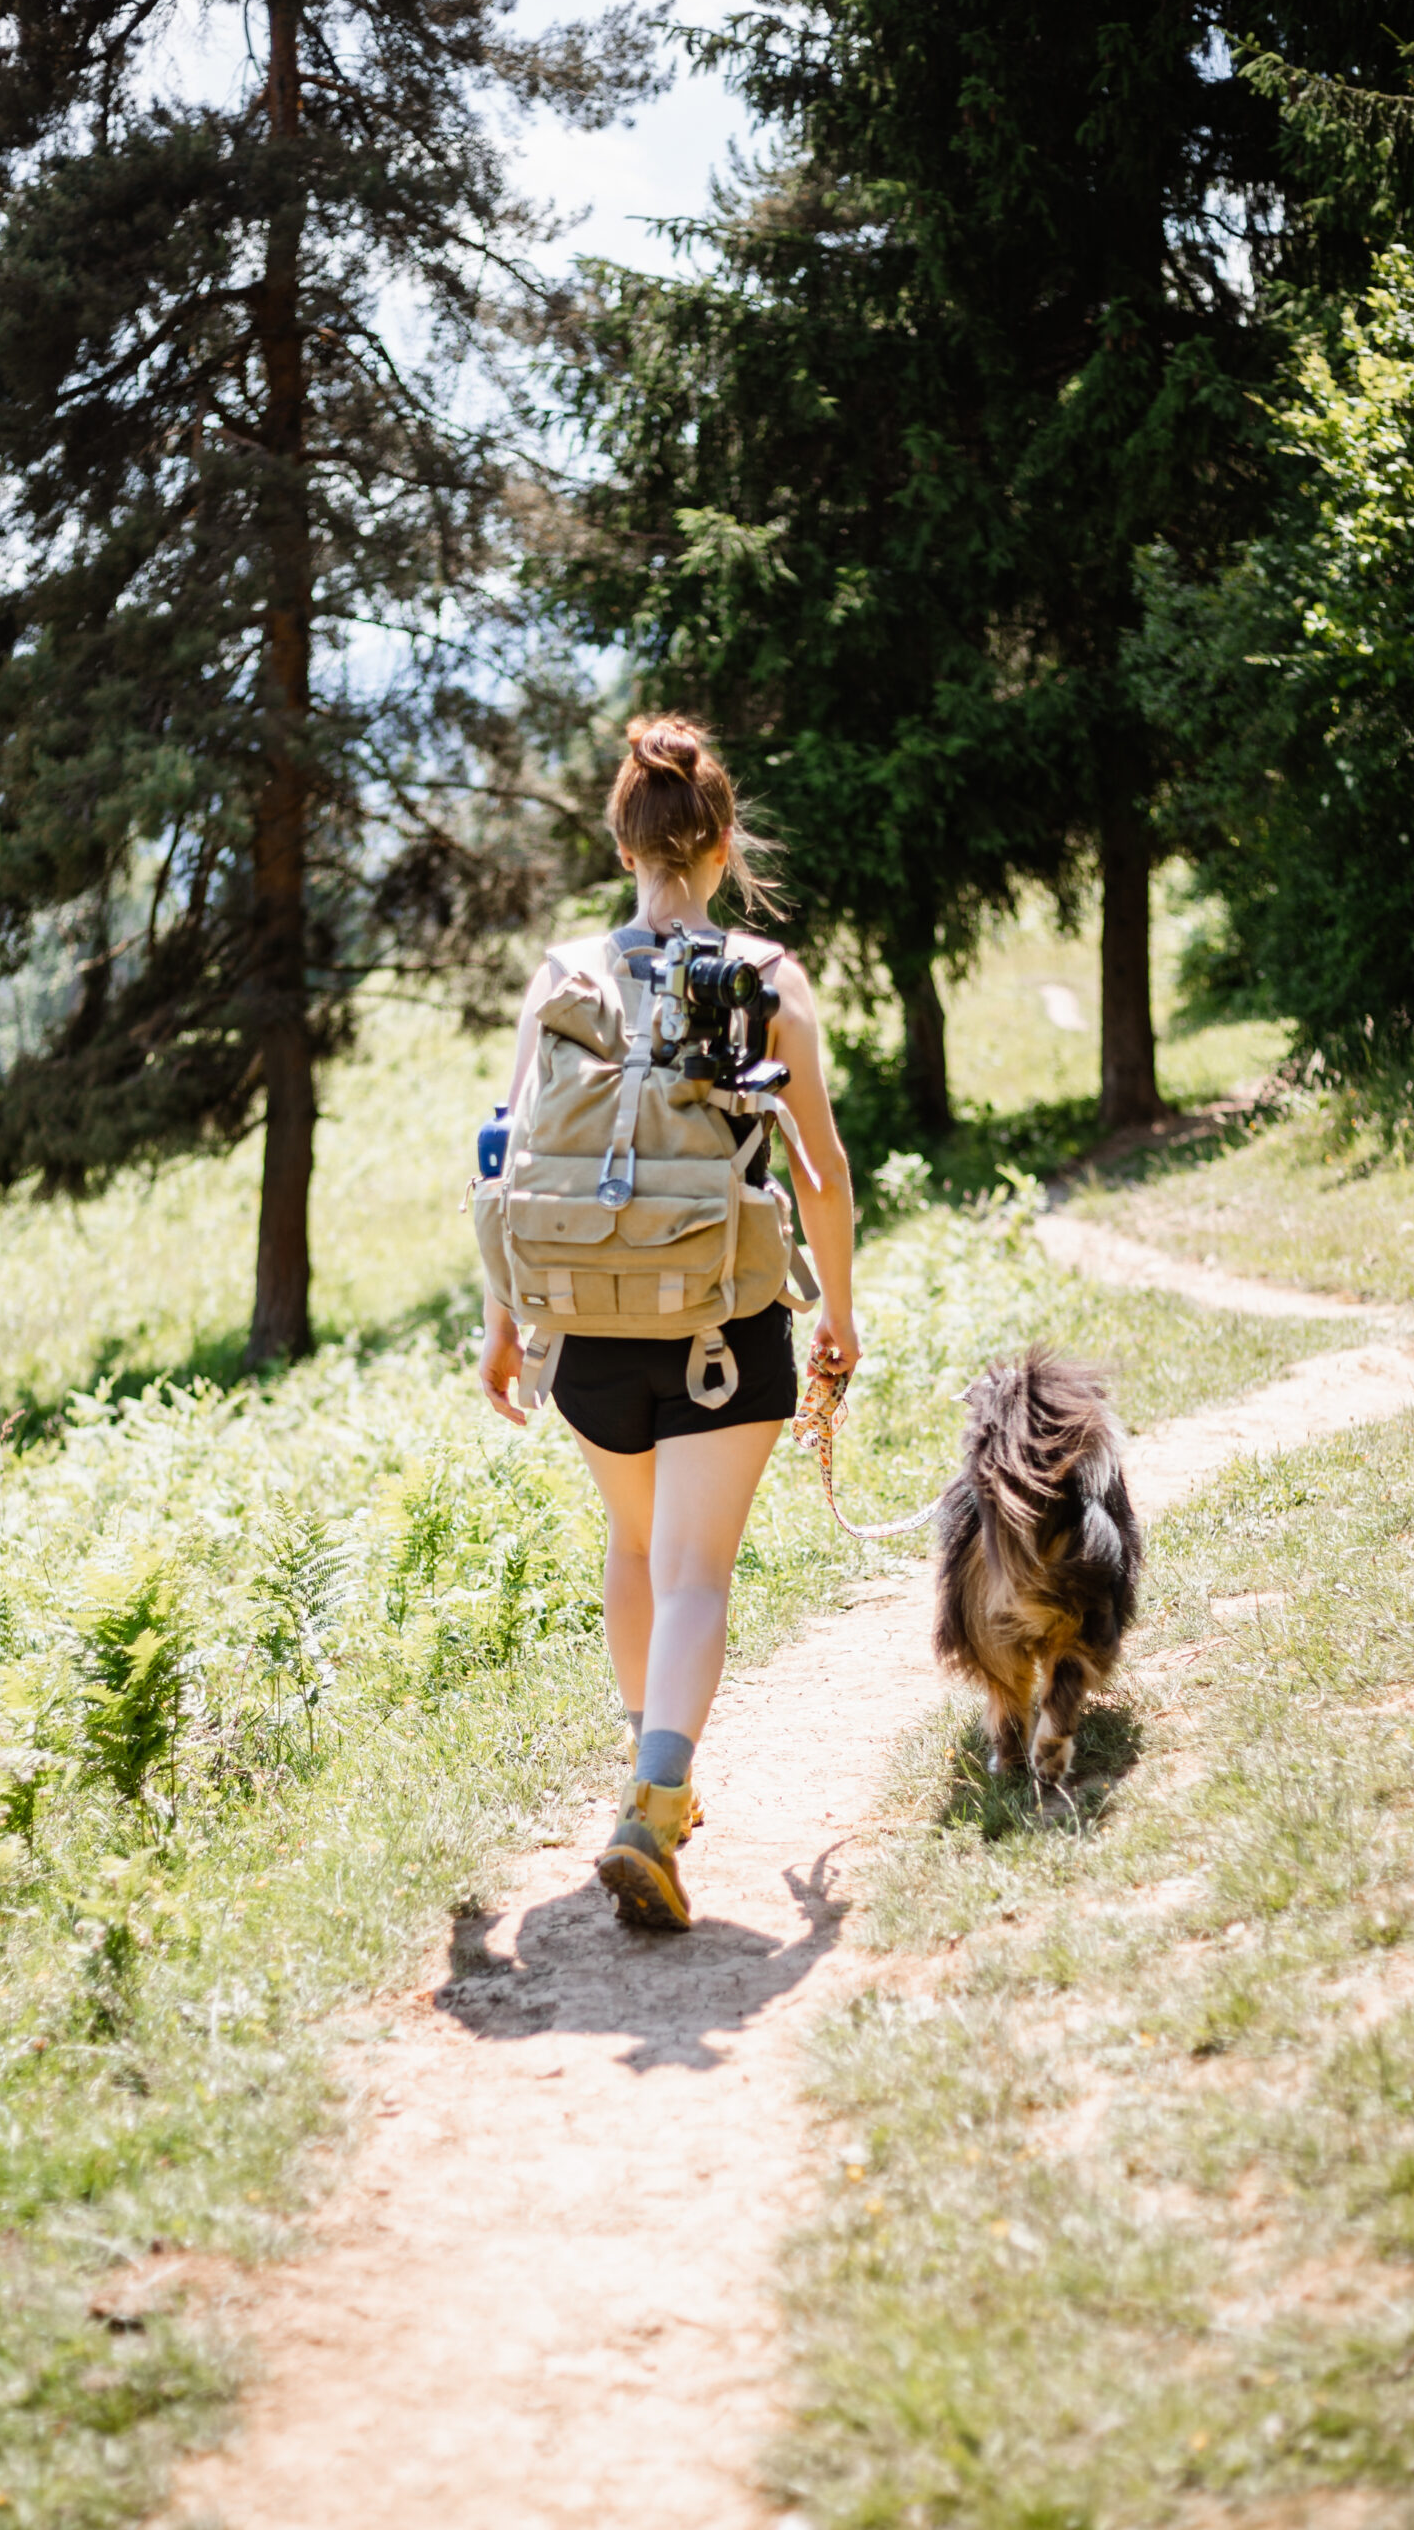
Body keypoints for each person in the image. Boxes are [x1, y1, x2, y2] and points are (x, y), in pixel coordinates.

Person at [478, 715, 859, 1931]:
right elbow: (822, 1175)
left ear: (621, 839)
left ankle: (658, 1777)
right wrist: (839, 1319)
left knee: (636, 1552)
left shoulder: (562, 977)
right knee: (698, 1571)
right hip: (724, 1324)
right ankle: (656, 1797)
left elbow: (514, 1159)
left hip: (584, 1326)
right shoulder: (765, 978)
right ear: (723, 839)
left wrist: (506, 1323)